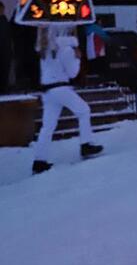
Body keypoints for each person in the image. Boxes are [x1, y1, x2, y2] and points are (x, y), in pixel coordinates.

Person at [32, 26, 103, 174]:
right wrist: (77, 58)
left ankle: (39, 160)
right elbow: (72, 73)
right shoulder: (67, 49)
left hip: (48, 90)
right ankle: (86, 145)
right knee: (84, 110)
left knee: (48, 126)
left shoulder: (45, 48)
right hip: (61, 87)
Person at [0, 1, 11, 92]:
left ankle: (4, 87)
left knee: (5, 68)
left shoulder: (4, 19)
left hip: (5, 49)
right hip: (3, 48)